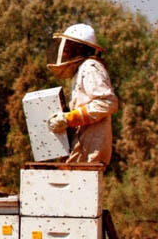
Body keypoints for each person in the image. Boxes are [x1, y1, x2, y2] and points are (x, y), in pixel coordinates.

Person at [45, 23, 119, 165]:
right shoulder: (82, 70)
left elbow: (108, 103)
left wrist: (69, 118)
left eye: (68, 48)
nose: (64, 52)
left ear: (79, 48)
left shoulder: (90, 67)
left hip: (91, 149)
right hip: (85, 147)